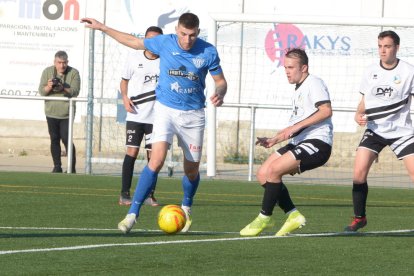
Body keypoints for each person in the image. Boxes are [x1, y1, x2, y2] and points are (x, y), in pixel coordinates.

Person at [82, 12, 227, 233]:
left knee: (191, 170)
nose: (187, 40)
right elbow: (133, 41)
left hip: (193, 115)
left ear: (198, 32)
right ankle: (132, 214)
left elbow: (220, 81)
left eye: (192, 35)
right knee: (156, 160)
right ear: (177, 29)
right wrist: (103, 27)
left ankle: (186, 206)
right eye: (183, 34)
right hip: (165, 110)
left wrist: (220, 92)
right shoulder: (164, 42)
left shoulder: (208, 51)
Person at [240, 48, 333, 237]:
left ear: (304, 67)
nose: (287, 71)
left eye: (291, 67)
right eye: (285, 67)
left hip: (318, 142)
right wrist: (273, 139)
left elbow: (326, 111)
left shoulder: (314, 83)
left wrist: (294, 129)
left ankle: (264, 218)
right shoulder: (298, 89)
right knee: (263, 174)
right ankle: (293, 215)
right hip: (301, 141)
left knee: (274, 171)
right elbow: (295, 126)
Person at [344, 30, 414, 232]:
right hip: (375, 130)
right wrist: (358, 114)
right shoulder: (370, 70)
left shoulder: (409, 71)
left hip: (402, 131)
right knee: (358, 174)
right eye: (380, 46)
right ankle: (359, 218)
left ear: (397, 48)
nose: (383, 51)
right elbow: (366, 99)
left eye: (387, 46)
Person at [118, 26, 163, 207]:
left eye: (156, 40)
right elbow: (124, 81)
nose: (152, 44)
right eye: (149, 39)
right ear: (144, 40)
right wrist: (124, 97)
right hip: (136, 115)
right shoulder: (134, 57)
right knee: (132, 152)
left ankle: (149, 195)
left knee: (154, 157)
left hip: (157, 117)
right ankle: (124, 194)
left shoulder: (165, 60)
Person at [38, 50, 80, 173]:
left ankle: (71, 168)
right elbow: (42, 91)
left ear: (68, 62)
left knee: (66, 139)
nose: (62, 65)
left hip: (67, 113)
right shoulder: (47, 72)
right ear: (54, 62)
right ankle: (57, 166)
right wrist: (50, 86)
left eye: (64, 62)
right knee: (54, 138)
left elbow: (75, 91)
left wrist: (63, 88)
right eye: (59, 62)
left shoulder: (74, 73)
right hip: (51, 112)